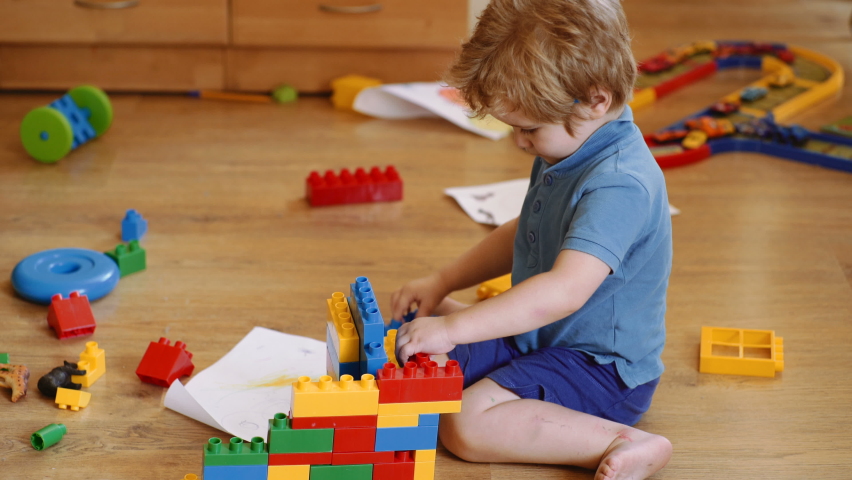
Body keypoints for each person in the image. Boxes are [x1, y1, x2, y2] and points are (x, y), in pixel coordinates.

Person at [389, 1, 673, 478]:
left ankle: (628, 441)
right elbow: (525, 232)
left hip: (600, 369)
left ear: (594, 99)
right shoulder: (570, 141)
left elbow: (565, 290)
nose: (520, 143)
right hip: (537, 338)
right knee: (419, 326)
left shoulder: (620, 182)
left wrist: (456, 329)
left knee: (466, 424)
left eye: (528, 129)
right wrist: (442, 281)